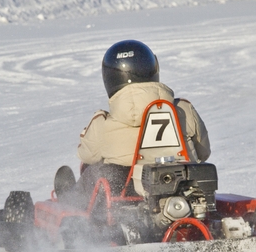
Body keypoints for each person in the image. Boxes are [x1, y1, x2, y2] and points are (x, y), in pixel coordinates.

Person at [55, 40, 211, 206]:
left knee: (94, 170)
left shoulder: (102, 123)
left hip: (124, 198)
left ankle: (70, 199)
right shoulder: (184, 109)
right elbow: (203, 152)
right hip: (182, 191)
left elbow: (85, 155)